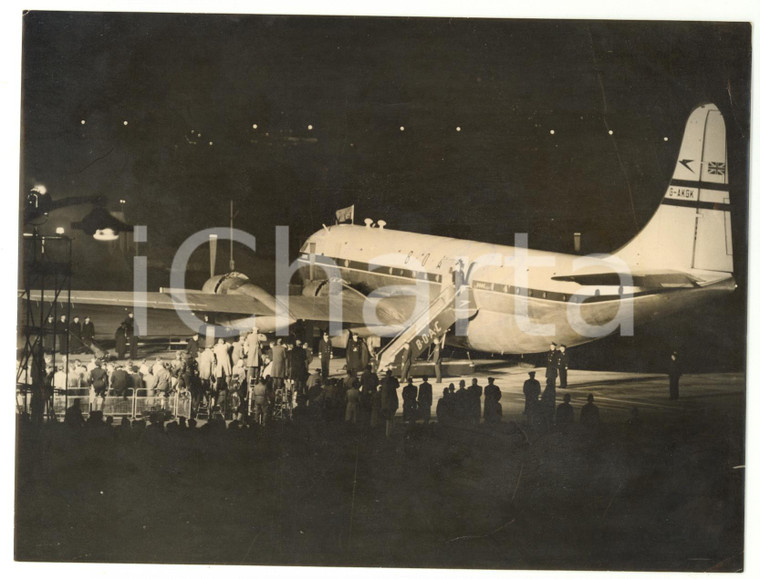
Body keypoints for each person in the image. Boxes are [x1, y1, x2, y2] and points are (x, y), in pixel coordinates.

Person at [380, 369, 400, 437]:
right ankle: (391, 432)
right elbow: (397, 386)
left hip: (385, 401)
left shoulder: (383, 380)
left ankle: (388, 433)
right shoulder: (394, 380)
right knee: (392, 417)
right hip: (392, 400)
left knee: (387, 418)